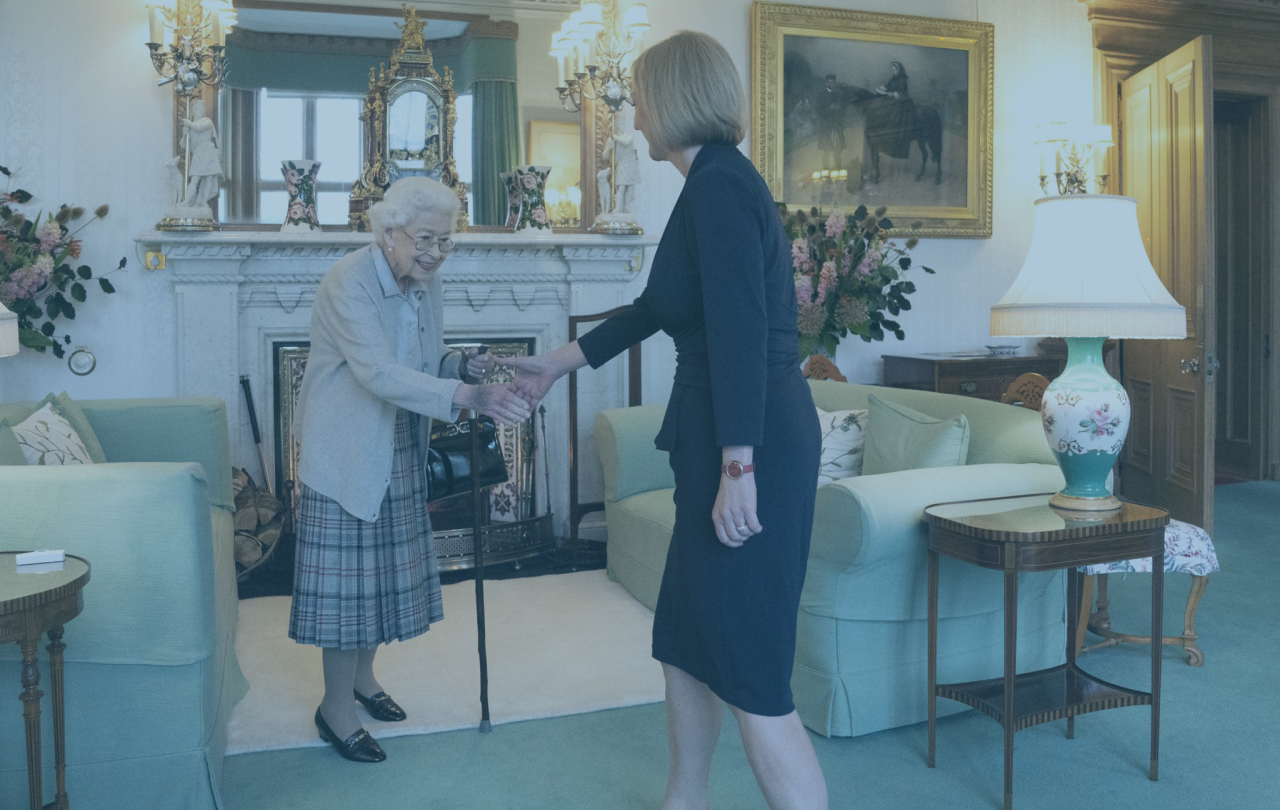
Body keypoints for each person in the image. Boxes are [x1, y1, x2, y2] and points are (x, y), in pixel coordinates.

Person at [503, 31, 827, 810]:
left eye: (641, 97)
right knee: (684, 644)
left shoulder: (718, 189)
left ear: (676, 99)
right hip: (720, 441)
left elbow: (744, 338)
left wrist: (738, 468)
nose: (634, 114)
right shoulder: (709, 184)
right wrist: (557, 362)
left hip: (751, 447)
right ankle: (685, 801)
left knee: (753, 674)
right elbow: (658, 308)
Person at [288, 176, 531, 763]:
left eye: (445, 242)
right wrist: (468, 398)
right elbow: (376, 372)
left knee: (380, 580)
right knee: (348, 592)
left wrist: (465, 364)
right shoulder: (349, 282)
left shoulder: (426, 283)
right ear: (388, 231)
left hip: (397, 441)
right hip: (347, 450)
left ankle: (364, 682)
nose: (434, 253)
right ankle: (335, 710)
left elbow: (423, 359)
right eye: (425, 239)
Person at [181, 98, 222, 210]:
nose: (199, 110)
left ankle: (204, 202)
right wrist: (184, 135)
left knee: (209, 179)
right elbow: (183, 146)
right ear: (193, 111)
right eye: (196, 108)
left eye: (201, 108)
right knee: (195, 178)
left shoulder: (207, 121)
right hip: (198, 153)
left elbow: (199, 128)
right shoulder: (191, 125)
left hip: (208, 152)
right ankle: (186, 201)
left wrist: (189, 123)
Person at [603, 104, 642, 214]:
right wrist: (609, 149)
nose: (622, 125)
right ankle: (618, 208)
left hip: (630, 164)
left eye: (623, 123)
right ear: (616, 125)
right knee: (621, 187)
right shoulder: (612, 139)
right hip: (621, 164)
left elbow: (626, 142)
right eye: (620, 123)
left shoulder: (627, 136)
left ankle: (626, 207)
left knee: (630, 187)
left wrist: (615, 138)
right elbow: (604, 157)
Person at [814, 73, 846, 170]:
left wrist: (840, 109)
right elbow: (818, 112)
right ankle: (826, 172)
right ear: (826, 83)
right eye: (830, 82)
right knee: (826, 150)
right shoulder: (821, 96)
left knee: (838, 150)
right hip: (825, 127)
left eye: (833, 82)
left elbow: (844, 111)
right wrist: (829, 108)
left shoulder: (838, 95)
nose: (832, 84)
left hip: (837, 126)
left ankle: (838, 170)